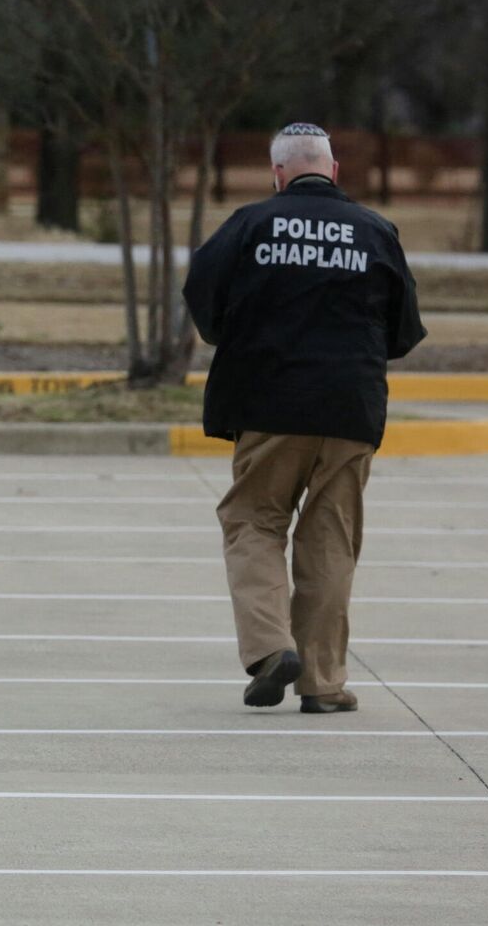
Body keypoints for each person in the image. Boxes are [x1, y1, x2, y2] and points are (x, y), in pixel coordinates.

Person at [181, 122, 426, 713]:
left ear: (278, 173)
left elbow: (203, 300)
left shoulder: (248, 225)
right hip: (351, 407)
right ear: (333, 171)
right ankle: (322, 683)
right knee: (330, 539)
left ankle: (270, 650)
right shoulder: (375, 231)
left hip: (269, 403)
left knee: (254, 521)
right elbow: (403, 331)